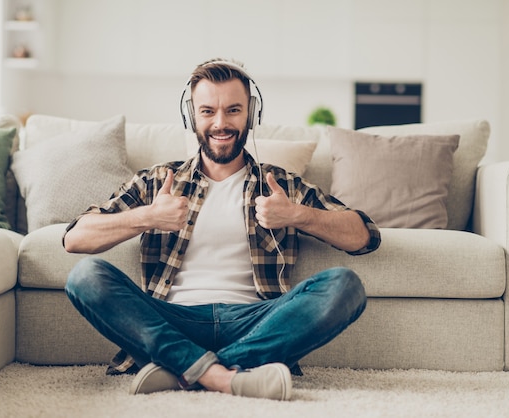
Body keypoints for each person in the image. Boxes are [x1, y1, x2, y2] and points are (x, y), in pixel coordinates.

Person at [63, 58, 381, 401]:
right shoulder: (157, 180)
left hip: (254, 322)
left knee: (345, 285)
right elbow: (75, 237)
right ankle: (228, 375)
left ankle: (184, 370)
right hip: (173, 321)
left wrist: (296, 215)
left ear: (251, 113)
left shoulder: (280, 184)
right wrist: (148, 217)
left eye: (233, 110)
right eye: (207, 111)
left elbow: (364, 236)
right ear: (191, 116)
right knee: (85, 276)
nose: (220, 123)